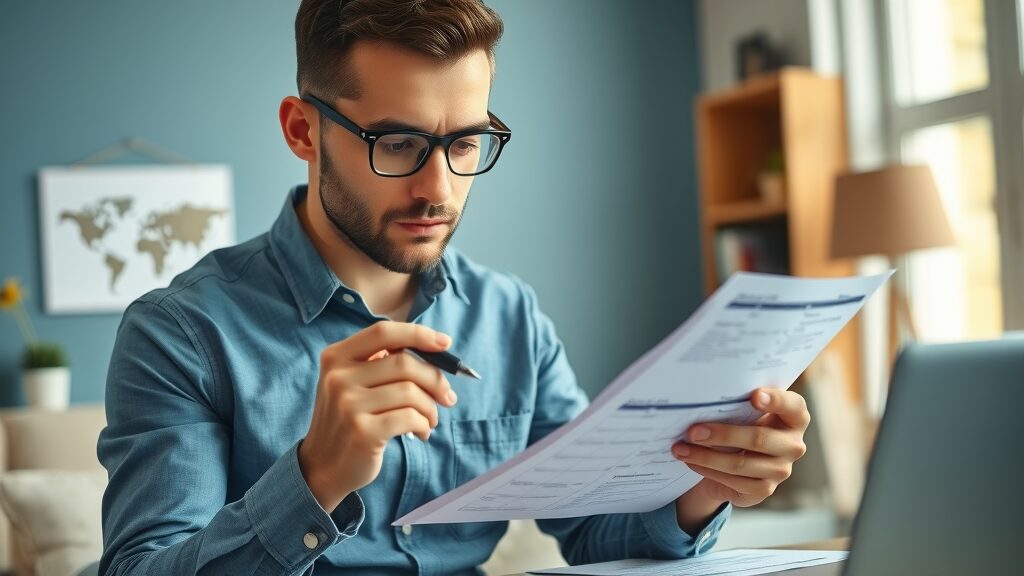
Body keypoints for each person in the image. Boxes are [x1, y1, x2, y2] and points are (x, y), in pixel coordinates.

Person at [98, 1, 811, 574]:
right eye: (398, 143)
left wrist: (703, 489)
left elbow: (597, 527)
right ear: (302, 130)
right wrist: (314, 478)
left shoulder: (510, 317)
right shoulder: (181, 333)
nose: (438, 189)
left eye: (465, 143)